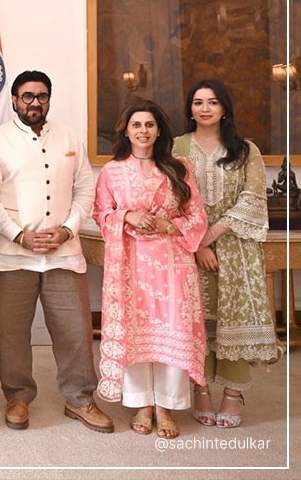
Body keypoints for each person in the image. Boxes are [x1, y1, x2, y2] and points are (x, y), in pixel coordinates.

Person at [0, 70, 113, 434]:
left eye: (41, 96)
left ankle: (80, 399)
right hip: (11, 253)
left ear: (49, 99)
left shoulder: (68, 136)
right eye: (27, 96)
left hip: (63, 252)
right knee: (12, 332)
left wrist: (68, 229)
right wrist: (19, 235)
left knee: (75, 329)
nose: (34, 102)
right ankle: (18, 396)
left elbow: (86, 188)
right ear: (14, 100)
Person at [94, 100, 208, 439]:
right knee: (136, 329)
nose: (143, 131)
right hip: (130, 264)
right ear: (126, 131)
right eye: (136, 125)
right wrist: (127, 216)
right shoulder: (112, 172)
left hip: (173, 263)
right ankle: (142, 403)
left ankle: (166, 405)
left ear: (159, 130)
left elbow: (197, 216)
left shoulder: (179, 167)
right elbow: (101, 214)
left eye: (149, 125)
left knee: (171, 329)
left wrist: (168, 226)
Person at [174, 79, 283, 428]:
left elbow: (253, 198)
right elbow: (169, 196)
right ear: (190, 108)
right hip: (189, 247)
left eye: (213, 102)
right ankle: (201, 389)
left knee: (232, 321)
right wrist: (199, 244)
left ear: (224, 109)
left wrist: (213, 235)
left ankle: (233, 395)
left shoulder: (245, 149)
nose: (204, 108)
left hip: (236, 247)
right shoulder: (176, 146)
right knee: (197, 319)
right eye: (197, 102)